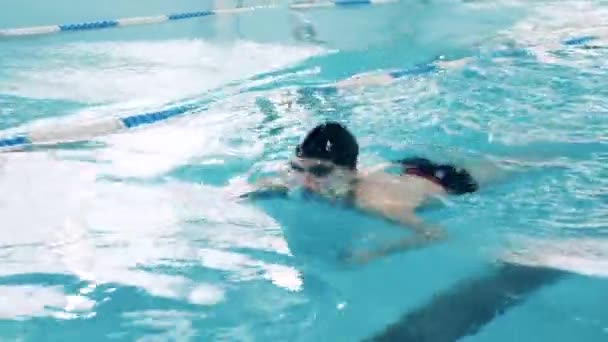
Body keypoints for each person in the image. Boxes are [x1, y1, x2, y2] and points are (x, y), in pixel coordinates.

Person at [238, 121, 478, 263]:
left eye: (320, 172)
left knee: (507, 167)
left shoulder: (373, 201)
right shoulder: (302, 179)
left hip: (448, 181)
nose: (306, 181)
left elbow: (436, 233)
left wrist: (374, 253)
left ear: (350, 172)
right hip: (401, 169)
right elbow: (258, 186)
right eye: (298, 169)